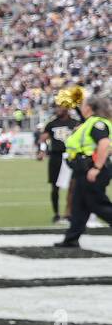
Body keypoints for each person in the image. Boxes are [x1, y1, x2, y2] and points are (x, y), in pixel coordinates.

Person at [55, 96, 112, 249]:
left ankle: (72, 237)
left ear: (89, 108)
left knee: (98, 204)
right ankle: (71, 238)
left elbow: (104, 143)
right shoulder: (89, 123)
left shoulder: (97, 123)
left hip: (92, 169)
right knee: (79, 205)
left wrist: (96, 168)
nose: (81, 107)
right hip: (83, 169)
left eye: (83, 105)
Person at [41, 105, 80, 224]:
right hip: (56, 157)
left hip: (71, 156)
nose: (57, 110)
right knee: (54, 187)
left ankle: (68, 213)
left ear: (66, 109)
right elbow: (43, 138)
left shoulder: (76, 123)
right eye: (56, 108)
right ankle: (56, 214)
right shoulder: (52, 124)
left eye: (60, 108)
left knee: (73, 187)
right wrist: (42, 151)